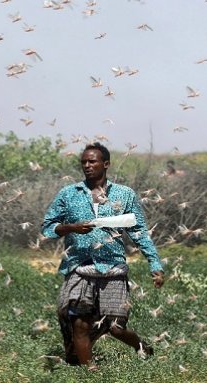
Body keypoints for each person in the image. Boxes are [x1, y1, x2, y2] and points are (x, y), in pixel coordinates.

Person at [41, 142, 165, 369]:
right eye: (83, 162)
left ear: (105, 164)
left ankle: (143, 347)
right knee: (79, 322)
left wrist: (154, 263)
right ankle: (90, 371)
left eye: (92, 161)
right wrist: (71, 227)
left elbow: (139, 232)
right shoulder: (69, 194)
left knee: (115, 325)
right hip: (80, 266)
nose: (87, 166)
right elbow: (48, 227)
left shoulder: (124, 195)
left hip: (113, 268)